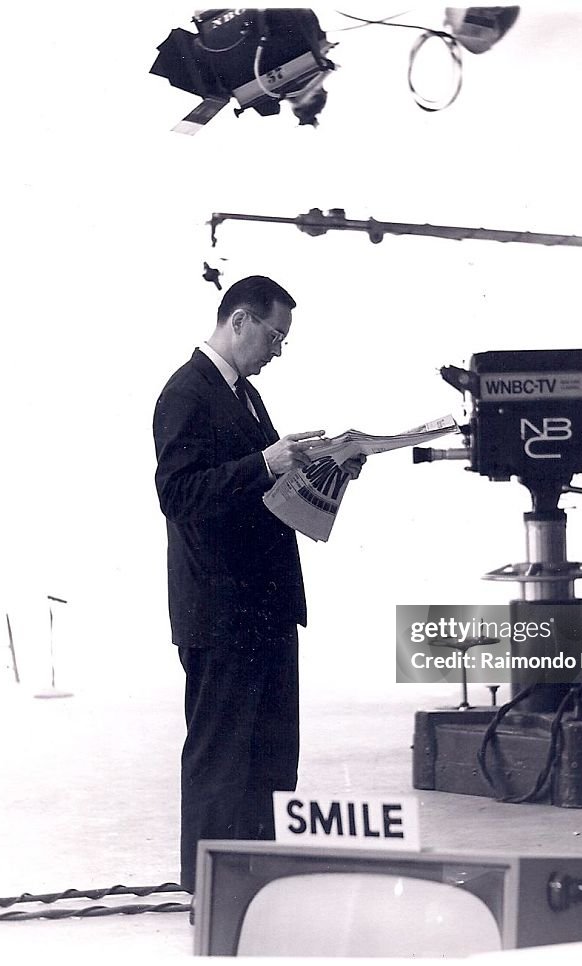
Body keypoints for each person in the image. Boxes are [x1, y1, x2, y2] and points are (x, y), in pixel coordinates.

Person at [152, 275, 361, 894]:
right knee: (220, 756)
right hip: (221, 612)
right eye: (274, 336)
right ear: (239, 321)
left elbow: (261, 490)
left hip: (262, 607)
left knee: (270, 754)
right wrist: (265, 461)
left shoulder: (242, 394)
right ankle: (210, 893)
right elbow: (178, 495)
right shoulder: (186, 392)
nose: (277, 351)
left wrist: (327, 466)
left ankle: (259, 880)